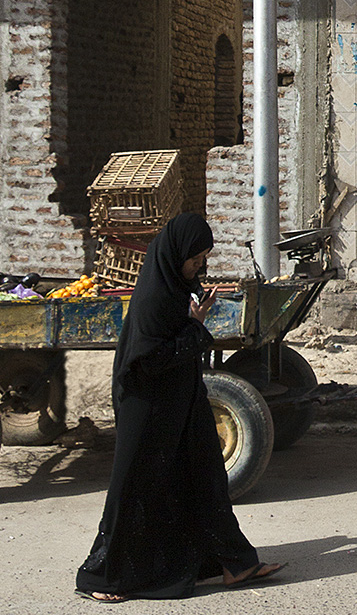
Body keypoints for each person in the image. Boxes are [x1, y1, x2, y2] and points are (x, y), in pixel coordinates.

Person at [75, 213, 283, 603]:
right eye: (195, 257)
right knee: (134, 486)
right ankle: (102, 576)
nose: (199, 265)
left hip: (182, 401)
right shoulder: (155, 297)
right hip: (148, 406)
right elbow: (149, 361)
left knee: (206, 477)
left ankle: (235, 562)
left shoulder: (177, 288)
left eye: (203, 257)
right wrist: (196, 328)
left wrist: (192, 324)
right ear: (176, 255)